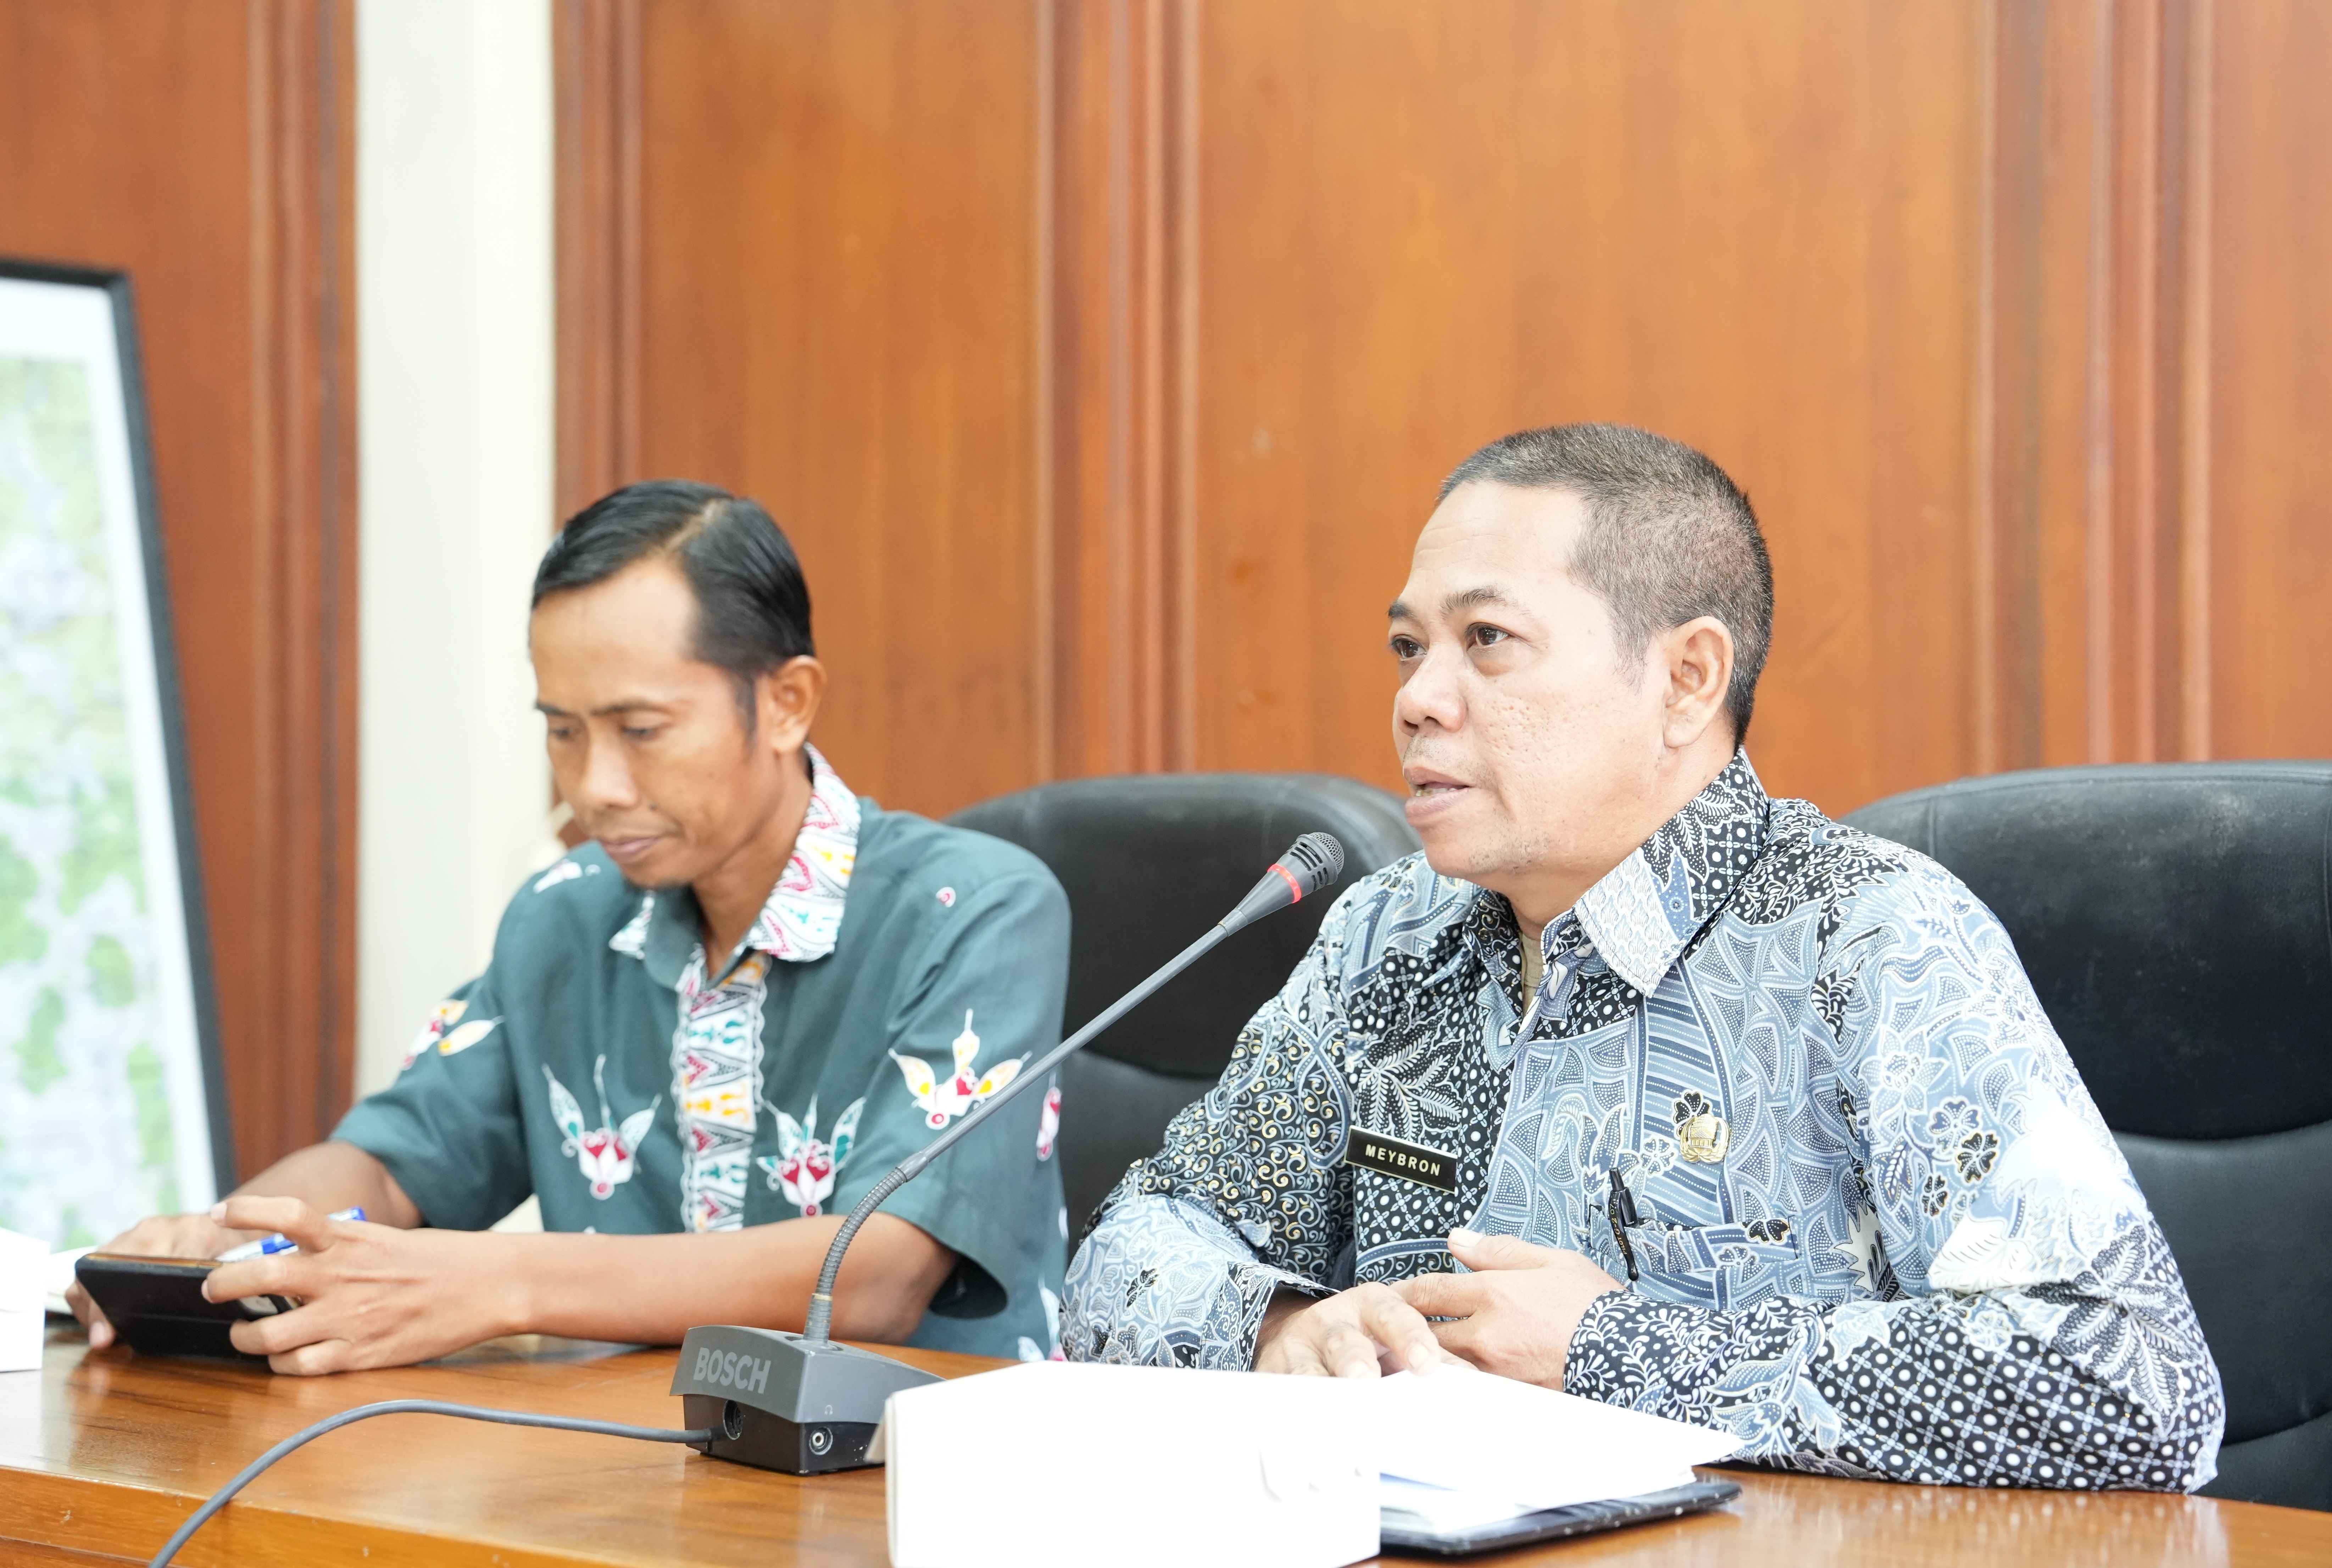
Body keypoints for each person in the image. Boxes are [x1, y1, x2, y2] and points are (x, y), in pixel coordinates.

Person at [1063, 424, 2225, 1491]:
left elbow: (2131, 1382)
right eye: (1408, 647)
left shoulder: (1869, 938)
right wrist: (1279, 1332)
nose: (1417, 700)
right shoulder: (1384, 935)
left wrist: (1614, 1349)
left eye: (1486, 642)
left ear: (1685, 680)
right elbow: (1132, 1251)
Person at [69, 481, 1073, 1372]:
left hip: (907, 1487)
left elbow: (875, 1273)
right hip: (608, 1479)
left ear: (786, 704)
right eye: (562, 731)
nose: (594, 787)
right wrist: (226, 1245)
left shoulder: (974, 910)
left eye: (640, 731)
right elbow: (390, 1164)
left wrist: (499, 1284)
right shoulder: (565, 916)